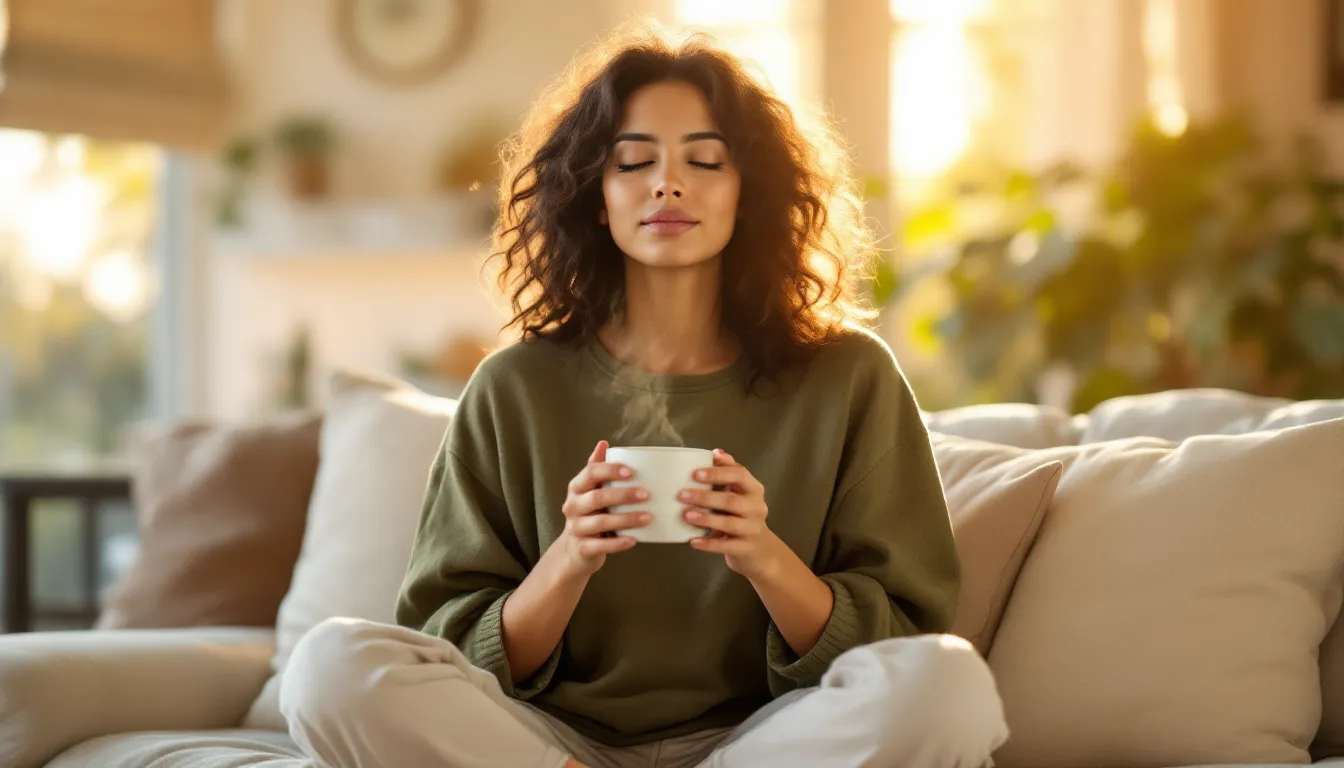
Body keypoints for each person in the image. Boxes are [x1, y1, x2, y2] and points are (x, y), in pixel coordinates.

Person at [281, 20, 1009, 768]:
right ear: (597, 196)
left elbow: (901, 641)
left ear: (745, 193)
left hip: (766, 742)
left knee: (950, 684)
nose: (668, 183)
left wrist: (762, 554)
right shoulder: (514, 387)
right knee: (328, 667)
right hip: (547, 746)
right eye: (634, 162)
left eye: (704, 160)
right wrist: (571, 555)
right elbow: (450, 648)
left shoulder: (849, 377)